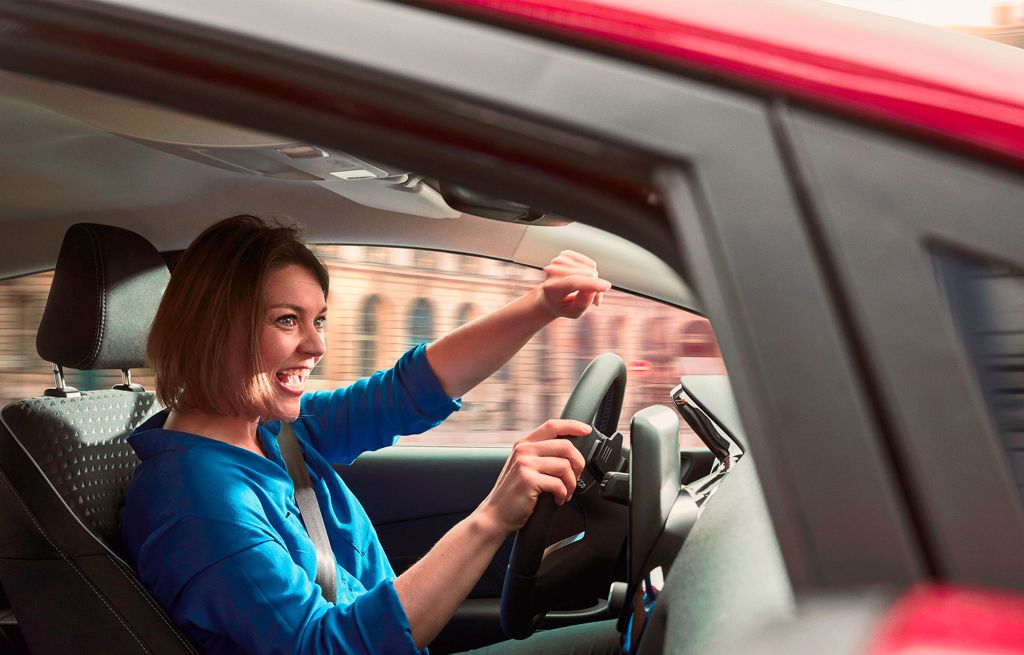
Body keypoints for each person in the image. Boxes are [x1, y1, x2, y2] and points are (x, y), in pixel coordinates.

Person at [121, 215, 622, 654]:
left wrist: (541, 305)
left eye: (318, 319)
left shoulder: (272, 431)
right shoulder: (197, 499)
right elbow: (323, 648)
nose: (316, 345)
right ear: (212, 329)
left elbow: (404, 394)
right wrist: (490, 519)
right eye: (287, 320)